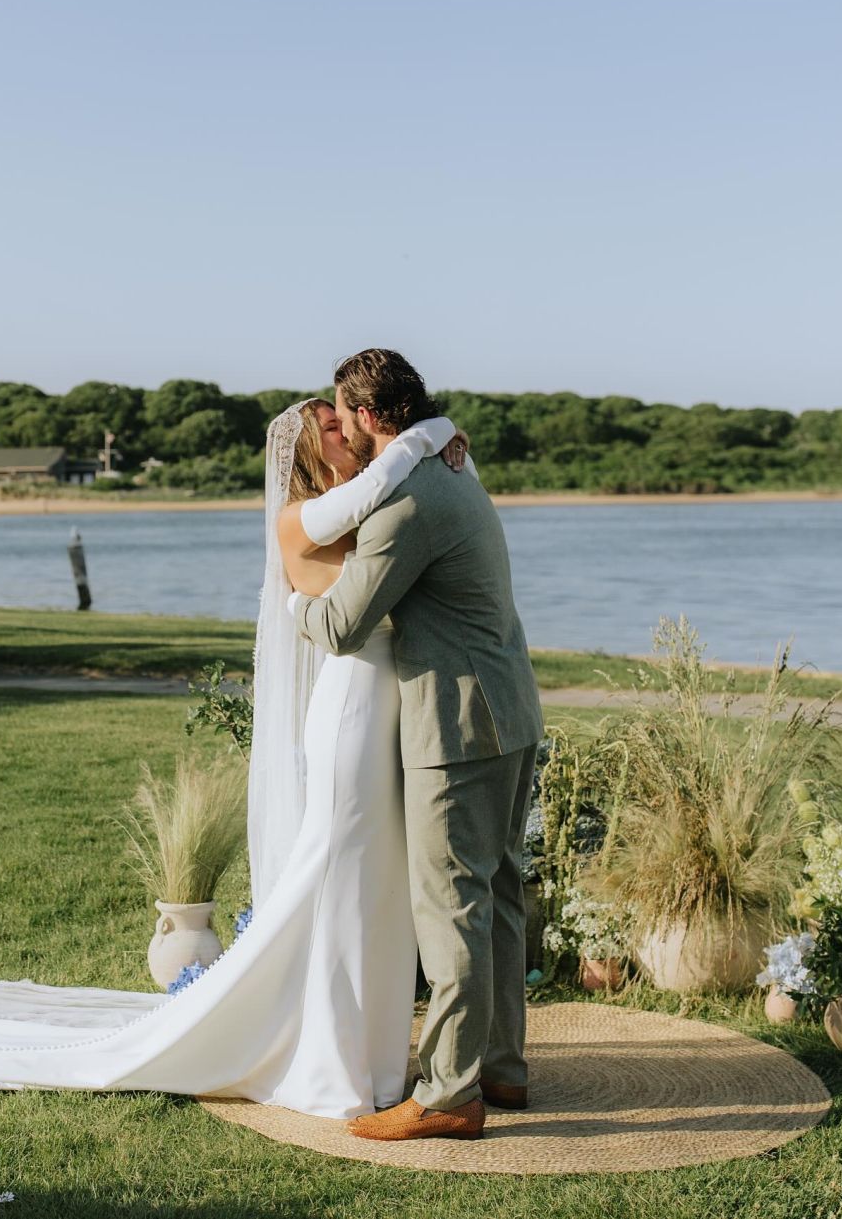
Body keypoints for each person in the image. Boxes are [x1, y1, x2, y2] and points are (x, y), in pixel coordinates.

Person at [0, 396, 463, 1120]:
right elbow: (377, 527)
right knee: (342, 875)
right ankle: (334, 1064)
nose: (348, 431)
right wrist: (431, 436)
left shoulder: (364, 501)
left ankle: (378, 1059)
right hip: (355, 706)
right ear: (306, 451)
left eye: (346, 420)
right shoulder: (304, 518)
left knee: (381, 884)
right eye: (332, 426)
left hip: (392, 703)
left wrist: (441, 446)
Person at [289, 348, 544, 1143]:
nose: (342, 430)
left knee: (451, 904)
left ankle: (447, 1093)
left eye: (344, 415)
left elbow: (342, 624)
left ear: (369, 416)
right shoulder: (453, 468)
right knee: (498, 893)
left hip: (458, 723)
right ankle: (501, 1066)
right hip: (510, 709)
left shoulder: (406, 503)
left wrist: (287, 602)